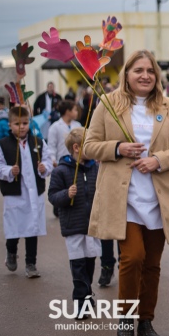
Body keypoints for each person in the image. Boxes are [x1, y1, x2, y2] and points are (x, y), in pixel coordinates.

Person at [84, 50, 169, 336]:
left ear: (156, 75)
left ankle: (146, 319)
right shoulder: (108, 103)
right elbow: (89, 146)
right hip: (124, 199)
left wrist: (158, 159)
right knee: (133, 258)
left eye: (150, 70)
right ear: (127, 75)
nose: (145, 75)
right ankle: (125, 317)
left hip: (158, 200)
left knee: (152, 264)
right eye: (138, 70)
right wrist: (118, 148)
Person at [47, 127, 100, 319]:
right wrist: (65, 194)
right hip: (73, 227)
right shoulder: (61, 171)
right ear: (76, 147)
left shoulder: (95, 168)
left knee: (90, 264)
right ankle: (80, 303)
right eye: (89, 146)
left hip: (92, 226)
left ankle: (87, 295)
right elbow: (52, 196)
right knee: (77, 266)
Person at [0, 105, 52, 278]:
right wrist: (8, 171)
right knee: (14, 228)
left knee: (32, 228)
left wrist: (44, 168)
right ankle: (11, 252)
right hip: (15, 194)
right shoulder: (2, 144)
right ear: (10, 125)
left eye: (25, 123)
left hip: (34, 193)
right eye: (17, 124)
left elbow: (48, 161)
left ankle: (31, 263)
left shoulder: (37, 142)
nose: (21, 127)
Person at [47, 100, 82, 166]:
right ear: (68, 112)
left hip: (76, 163)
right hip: (60, 163)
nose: (77, 112)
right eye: (75, 110)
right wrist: (53, 160)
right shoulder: (55, 127)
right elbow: (51, 146)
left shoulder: (78, 125)